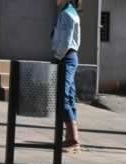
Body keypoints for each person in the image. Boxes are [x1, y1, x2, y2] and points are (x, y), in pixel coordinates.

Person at [51, 0, 82, 152]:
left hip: (65, 58)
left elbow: (66, 40)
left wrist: (57, 56)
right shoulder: (67, 12)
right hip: (67, 57)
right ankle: (71, 138)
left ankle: (73, 140)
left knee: (62, 95)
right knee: (68, 96)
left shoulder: (67, 14)